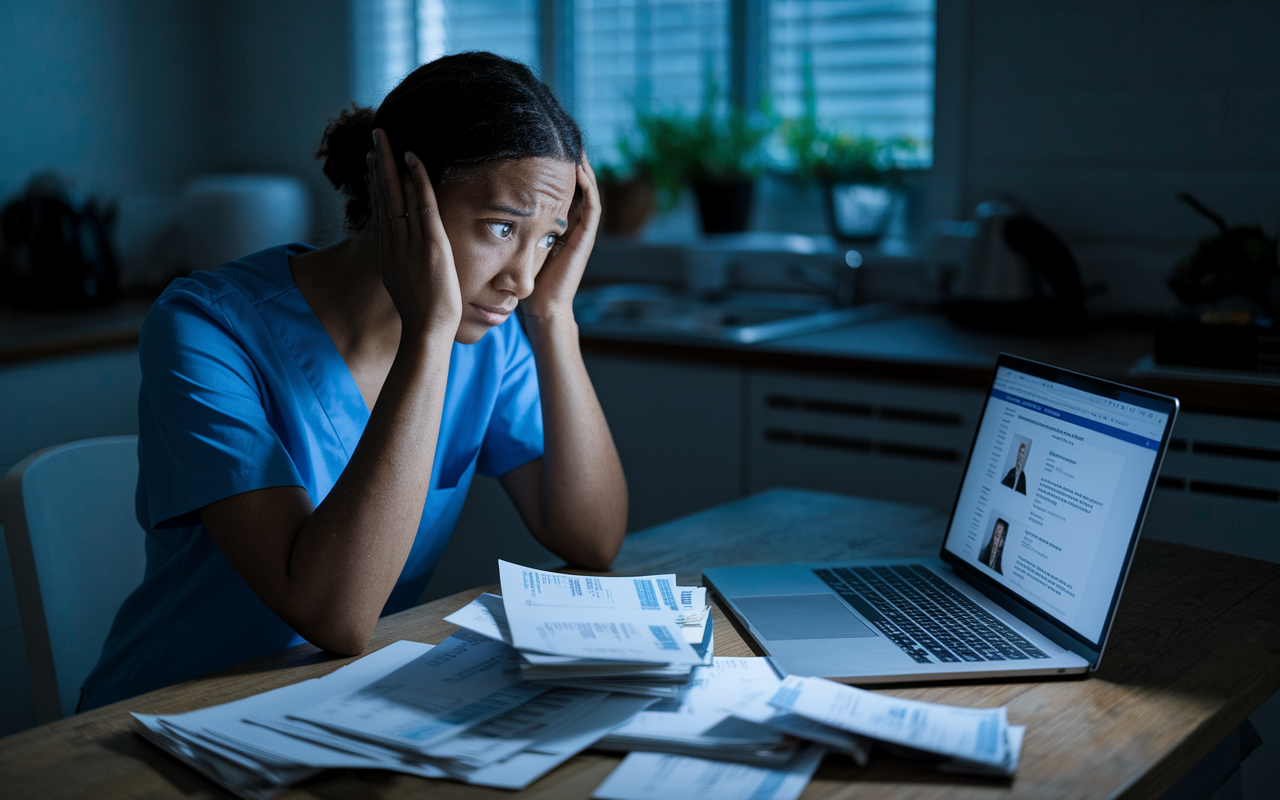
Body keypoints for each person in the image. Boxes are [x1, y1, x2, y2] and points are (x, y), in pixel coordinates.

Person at [79, 52, 627, 711]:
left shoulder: (493, 337)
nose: (523, 277)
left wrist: (555, 318)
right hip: (163, 719)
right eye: (502, 227)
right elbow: (333, 614)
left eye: (548, 240)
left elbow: (591, 539)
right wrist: (426, 333)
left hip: (333, 708)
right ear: (397, 192)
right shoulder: (204, 329)